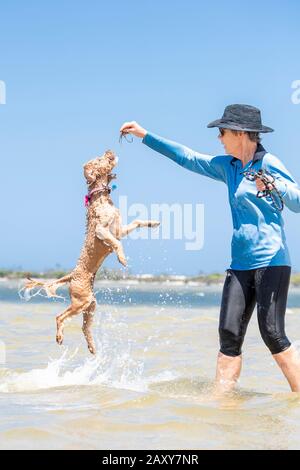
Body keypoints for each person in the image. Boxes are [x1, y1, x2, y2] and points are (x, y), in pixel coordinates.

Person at [120, 104, 300, 393]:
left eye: (222, 132)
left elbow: (297, 203)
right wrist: (145, 135)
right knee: (228, 336)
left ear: (240, 134)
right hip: (240, 265)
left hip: (272, 262)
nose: (219, 138)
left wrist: (275, 184)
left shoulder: (268, 163)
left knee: (273, 334)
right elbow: (188, 158)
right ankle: (223, 407)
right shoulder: (228, 167)